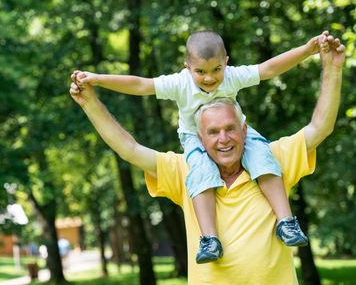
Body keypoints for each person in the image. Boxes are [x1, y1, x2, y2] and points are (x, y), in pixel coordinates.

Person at [69, 35, 345, 284]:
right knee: (201, 174)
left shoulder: (272, 158)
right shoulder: (185, 169)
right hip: (194, 159)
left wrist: (328, 65)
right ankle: (209, 239)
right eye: (213, 132)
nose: (223, 138)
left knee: (264, 160)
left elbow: (318, 126)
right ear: (201, 139)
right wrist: (93, 96)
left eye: (230, 129)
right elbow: (129, 146)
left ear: (244, 129)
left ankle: (287, 222)